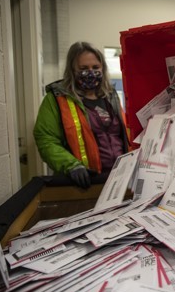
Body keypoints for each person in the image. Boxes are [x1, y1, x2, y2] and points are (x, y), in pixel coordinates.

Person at [34, 41, 129, 189]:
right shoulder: (57, 99)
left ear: (103, 68)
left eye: (96, 67)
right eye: (84, 68)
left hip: (118, 180)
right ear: (72, 70)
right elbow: (46, 139)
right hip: (83, 183)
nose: (91, 72)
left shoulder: (110, 97)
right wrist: (71, 166)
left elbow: (123, 135)